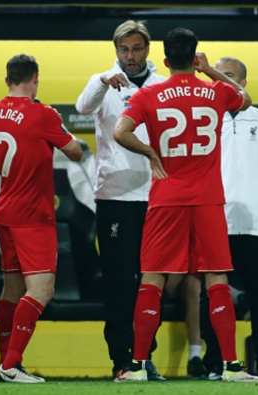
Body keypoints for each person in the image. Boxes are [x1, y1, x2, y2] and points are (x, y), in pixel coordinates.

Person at [111, 28, 258, 383]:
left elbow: (120, 131)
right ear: (194, 58)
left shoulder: (149, 93)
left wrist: (149, 152)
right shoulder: (217, 91)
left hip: (166, 198)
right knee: (216, 276)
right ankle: (231, 367)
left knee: (152, 276)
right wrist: (209, 71)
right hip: (208, 199)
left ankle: (136, 367)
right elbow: (247, 98)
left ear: (164, 60)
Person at [75, 20, 202, 381]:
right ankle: (120, 361)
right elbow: (83, 107)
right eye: (123, 50)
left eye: (135, 49)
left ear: (148, 50)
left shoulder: (164, 84)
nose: (129, 57)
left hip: (159, 196)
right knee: (118, 282)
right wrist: (102, 80)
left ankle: (145, 358)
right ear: (116, 51)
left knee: (153, 283)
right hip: (115, 196)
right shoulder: (103, 82)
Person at [0, 54, 83, 383]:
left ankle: (3, 362)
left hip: (5, 210)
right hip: (33, 214)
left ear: (7, 79)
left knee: (12, 290)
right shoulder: (44, 114)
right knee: (42, 290)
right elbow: (76, 151)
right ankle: (12, 364)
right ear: (35, 78)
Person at [198, 57, 258, 381]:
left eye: (230, 76)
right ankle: (215, 363)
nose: (222, 81)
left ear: (243, 85)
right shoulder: (204, 118)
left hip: (255, 224)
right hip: (215, 221)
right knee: (210, 296)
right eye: (218, 76)